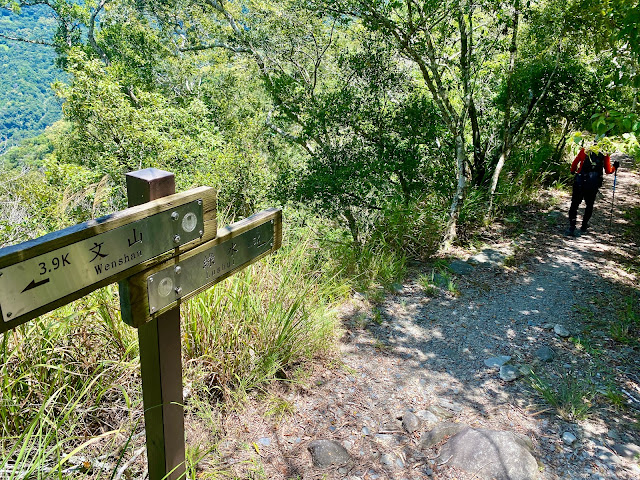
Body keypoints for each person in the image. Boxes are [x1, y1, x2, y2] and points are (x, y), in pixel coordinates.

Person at [566, 146, 619, 236]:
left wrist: (572, 171)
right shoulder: (605, 153)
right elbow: (608, 170)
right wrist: (614, 167)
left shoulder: (585, 150)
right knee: (589, 205)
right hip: (593, 183)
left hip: (580, 182)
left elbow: (574, 164)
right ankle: (584, 225)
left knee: (574, 204)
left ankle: (572, 226)